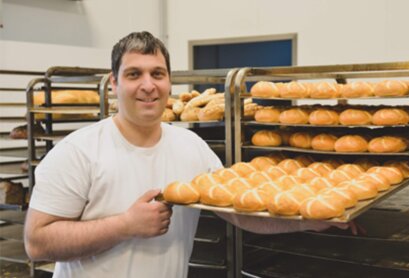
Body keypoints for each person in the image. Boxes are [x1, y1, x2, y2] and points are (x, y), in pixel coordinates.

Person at [24, 31, 352, 278]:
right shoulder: (78, 151)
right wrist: (125, 225)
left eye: (157, 73)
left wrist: (311, 220)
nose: (148, 85)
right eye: (134, 74)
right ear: (114, 83)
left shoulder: (191, 146)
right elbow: (37, 243)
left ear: (169, 81)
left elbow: (239, 213)